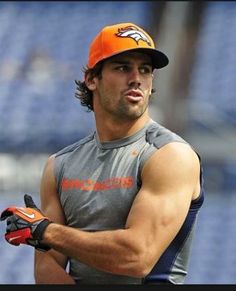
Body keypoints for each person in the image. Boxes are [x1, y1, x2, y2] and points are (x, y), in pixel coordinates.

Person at [0, 22, 204, 285]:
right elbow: (48, 266)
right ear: (92, 79)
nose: (136, 78)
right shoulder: (59, 165)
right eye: (122, 67)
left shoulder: (170, 155)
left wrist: (45, 231)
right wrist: (46, 236)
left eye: (145, 70)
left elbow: (137, 256)